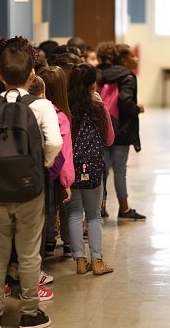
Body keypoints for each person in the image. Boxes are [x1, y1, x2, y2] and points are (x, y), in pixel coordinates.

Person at [0, 37, 62, 328]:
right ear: (32, 74)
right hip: (31, 190)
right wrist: (41, 164)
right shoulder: (41, 106)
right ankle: (30, 313)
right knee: (29, 254)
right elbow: (54, 142)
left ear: (0, 75)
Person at [67, 63, 115, 275]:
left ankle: (79, 261)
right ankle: (97, 261)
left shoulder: (65, 107)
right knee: (94, 215)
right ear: (92, 84)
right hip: (93, 166)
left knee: (74, 213)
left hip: (70, 168)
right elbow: (109, 139)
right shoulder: (98, 106)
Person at [96, 41, 146, 221]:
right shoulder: (127, 76)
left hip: (101, 126)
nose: (136, 58)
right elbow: (125, 101)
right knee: (120, 170)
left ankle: (100, 208)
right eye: (132, 55)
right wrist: (137, 108)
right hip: (121, 130)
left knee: (101, 170)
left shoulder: (99, 73)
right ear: (123, 60)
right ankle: (124, 209)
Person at [37, 66, 75, 258]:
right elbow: (65, 153)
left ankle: (49, 242)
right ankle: (68, 243)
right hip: (55, 171)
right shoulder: (60, 117)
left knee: (45, 211)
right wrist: (67, 182)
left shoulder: (32, 110)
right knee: (63, 205)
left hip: (34, 170)